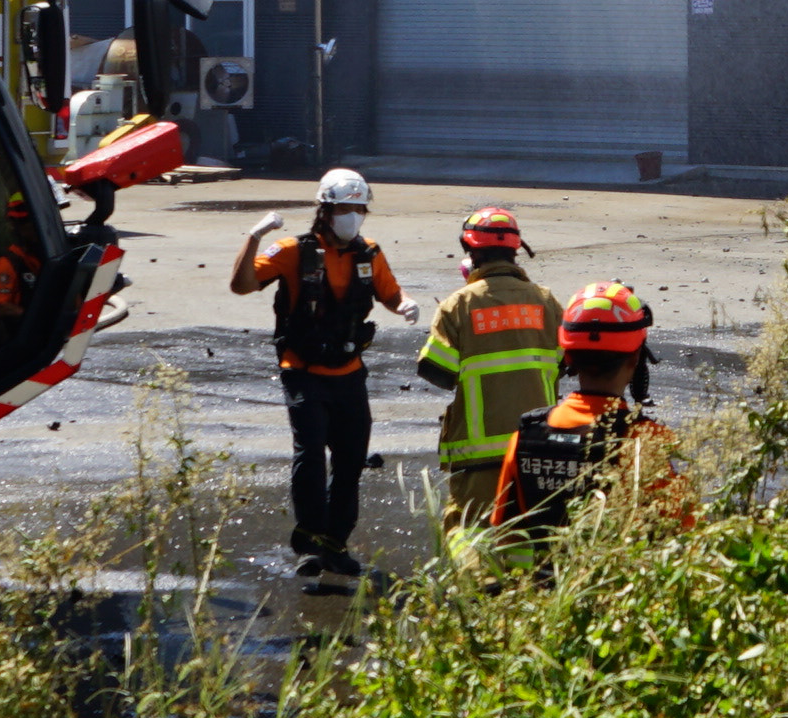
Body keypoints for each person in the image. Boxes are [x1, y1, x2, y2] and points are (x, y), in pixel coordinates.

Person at [231, 166, 408, 579]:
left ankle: (335, 545)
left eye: (359, 209)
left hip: (349, 372)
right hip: (303, 370)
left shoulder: (369, 253)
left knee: (350, 461)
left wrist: (406, 304)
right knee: (310, 455)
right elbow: (241, 285)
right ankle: (309, 544)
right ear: (325, 211)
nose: (353, 217)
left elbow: (390, 294)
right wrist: (254, 237)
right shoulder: (293, 250)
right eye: (344, 209)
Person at [486, 285, 694, 551]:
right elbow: (683, 534)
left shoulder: (525, 436)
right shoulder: (644, 439)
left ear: (568, 355)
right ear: (635, 358)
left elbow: (505, 535)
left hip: (543, 576)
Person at [411, 207, 561, 543]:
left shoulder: (458, 305)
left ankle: (475, 577)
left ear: (471, 250)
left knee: (470, 535)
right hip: (538, 450)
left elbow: (437, 371)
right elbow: (567, 363)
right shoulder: (546, 302)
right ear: (516, 249)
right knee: (530, 539)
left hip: (479, 457)